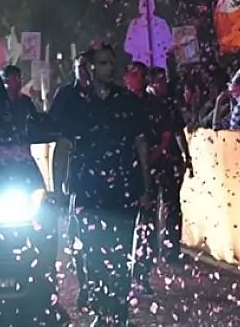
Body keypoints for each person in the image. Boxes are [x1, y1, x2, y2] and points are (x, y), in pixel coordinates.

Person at [61, 45, 154, 326]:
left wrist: (146, 186)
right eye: (103, 63)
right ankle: (102, 312)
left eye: (111, 63)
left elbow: (141, 144)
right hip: (89, 191)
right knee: (93, 254)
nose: (109, 68)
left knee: (122, 254)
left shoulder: (128, 102)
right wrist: (60, 185)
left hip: (123, 189)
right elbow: (64, 145)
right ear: (91, 68)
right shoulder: (78, 103)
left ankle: (119, 312)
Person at [48, 51, 93, 308]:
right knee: (77, 236)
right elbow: (59, 142)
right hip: (76, 177)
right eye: (81, 66)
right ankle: (86, 285)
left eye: (88, 66)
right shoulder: (66, 96)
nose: (85, 71)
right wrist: (58, 187)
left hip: (104, 175)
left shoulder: (106, 97)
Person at [142, 67, 193, 267]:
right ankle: (151, 248)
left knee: (172, 206)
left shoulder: (170, 104)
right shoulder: (143, 104)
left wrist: (186, 156)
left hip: (170, 161)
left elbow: (178, 131)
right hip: (152, 162)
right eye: (159, 81)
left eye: (164, 80)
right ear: (151, 83)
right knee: (151, 205)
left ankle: (172, 249)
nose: (163, 84)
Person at [1, 64, 37, 139]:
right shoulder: (0, 102)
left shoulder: (26, 101)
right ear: (6, 81)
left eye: (19, 78)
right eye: (14, 78)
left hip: (23, 140)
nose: (19, 82)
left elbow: (35, 119)